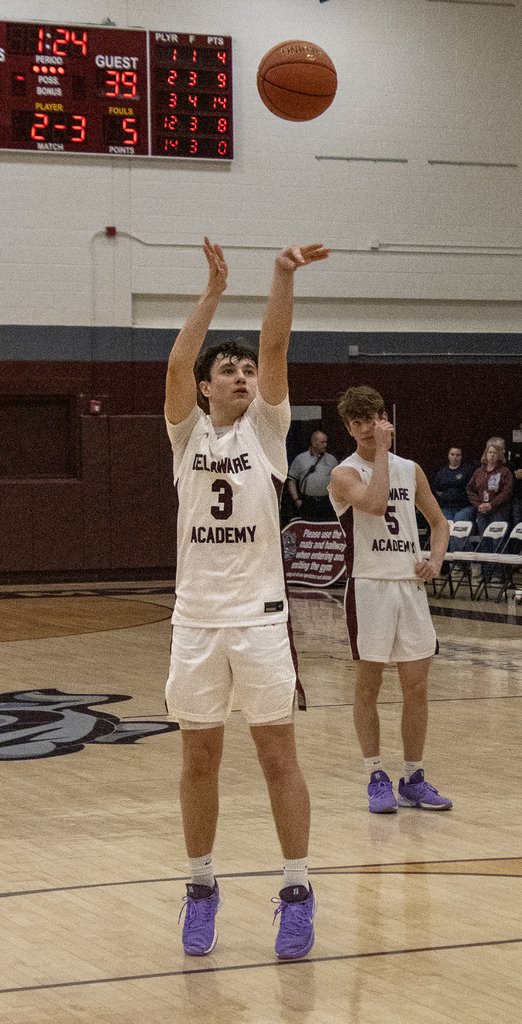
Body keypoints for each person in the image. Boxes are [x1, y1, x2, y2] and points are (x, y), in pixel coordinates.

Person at [164, 237, 330, 959]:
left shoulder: (267, 430)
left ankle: (297, 891)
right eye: (227, 370)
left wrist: (281, 276)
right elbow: (177, 364)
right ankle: (201, 887)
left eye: (246, 370)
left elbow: (275, 343)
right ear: (205, 388)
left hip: (259, 621)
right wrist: (211, 293)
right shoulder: (185, 435)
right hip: (196, 620)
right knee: (199, 759)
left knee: (276, 756)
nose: (241, 375)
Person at [328, 386, 452, 814]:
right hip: (369, 586)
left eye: (372, 418)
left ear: (385, 418)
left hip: (408, 587)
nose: (366, 427)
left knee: (416, 687)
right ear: (349, 429)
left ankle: (414, 777)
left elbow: (439, 523)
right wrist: (381, 451)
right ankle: (376, 776)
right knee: (369, 687)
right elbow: (377, 503)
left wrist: (435, 561)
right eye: (357, 422)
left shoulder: (410, 469)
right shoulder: (343, 474)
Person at [466, 437, 513, 538]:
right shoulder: (478, 472)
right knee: (484, 539)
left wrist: (492, 504)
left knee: (497, 539)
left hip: (499, 511)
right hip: (482, 510)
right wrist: (478, 504)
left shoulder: (505, 471)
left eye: (495, 453)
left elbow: (507, 491)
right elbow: (469, 489)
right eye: (490, 452)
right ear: (486, 454)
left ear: (499, 455)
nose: (492, 455)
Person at [287, 431, 338, 521]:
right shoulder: (301, 459)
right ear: (314, 442)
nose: (325, 445)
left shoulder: (332, 460)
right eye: (322, 442)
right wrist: (296, 499)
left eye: (326, 442)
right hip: (308, 503)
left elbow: (338, 481)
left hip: (327, 503)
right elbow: (291, 480)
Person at [432, 447, 475, 523]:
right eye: (452, 454)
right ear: (448, 455)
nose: (455, 457)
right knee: (446, 528)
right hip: (446, 507)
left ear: (461, 457)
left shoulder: (467, 470)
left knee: (458, 527)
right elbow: (437, 489)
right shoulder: (442, 472)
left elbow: (472, 488)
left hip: (463, 507)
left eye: (457, 455)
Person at [507, 422, 522, 526]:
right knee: (517, 523)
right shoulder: (515, 448)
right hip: (518, 493)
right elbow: (508, 467)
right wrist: (514, 471)